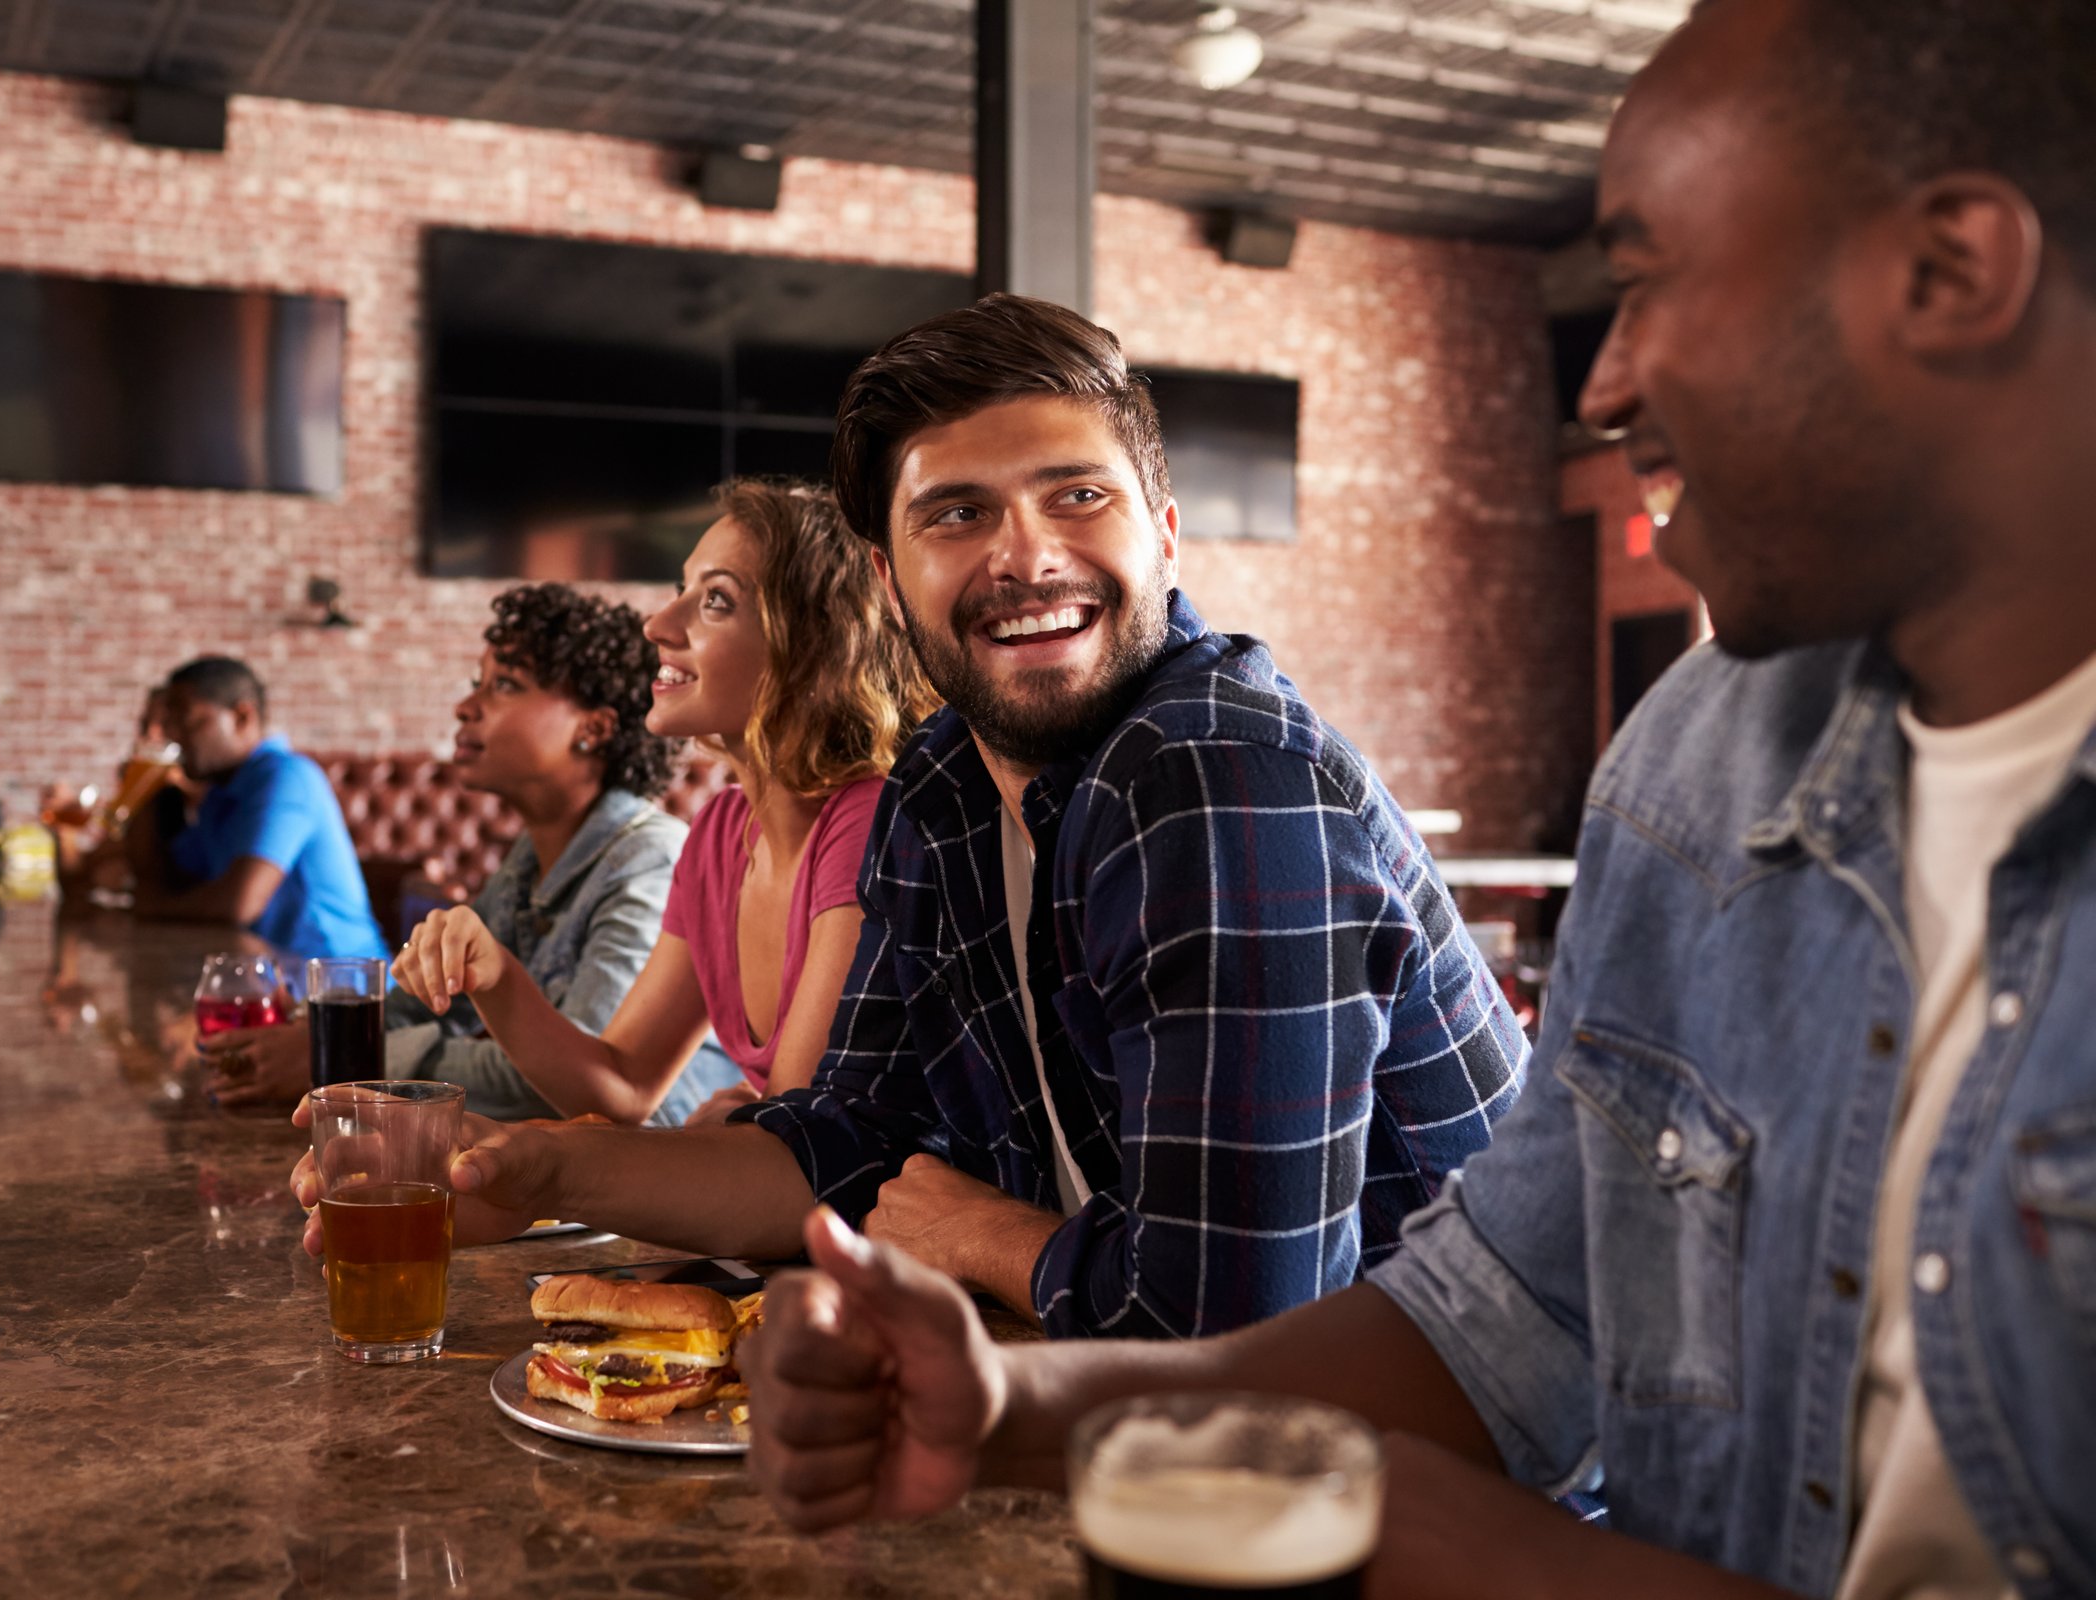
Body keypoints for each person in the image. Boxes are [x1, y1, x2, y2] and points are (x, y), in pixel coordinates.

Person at [738, 1, 2096, 1593]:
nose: (1605, 385)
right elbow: (1495, 1326)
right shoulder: (1703, 760)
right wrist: (1009, 1408)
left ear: (1952, 277)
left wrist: (1445, 1546)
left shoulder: (1215, 767)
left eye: (1647, 277)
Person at [309, 300, 1523, 1340]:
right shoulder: (944, 788)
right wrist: (542, 1170)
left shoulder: (1210, 774)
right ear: (889, 582)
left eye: (1078, 494)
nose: (1027, 556)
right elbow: (849, 1146)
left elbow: (1240, 1322)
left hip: (1441, 1489)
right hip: (1161, 1438)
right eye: (957, 515)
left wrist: (993, 1238)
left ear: (1163, 529)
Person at [387, 478, 935, 1125]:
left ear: (816, 649)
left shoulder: (865, 823)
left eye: (716, 602)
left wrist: (736, 1126)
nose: (658, 623)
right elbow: (620, 1087)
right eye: (682, 591)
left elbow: (798, 1147)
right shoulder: (722, 834)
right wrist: (498, 980)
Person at [203, 584, 741, 1125]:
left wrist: (346, 1061)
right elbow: (431, 1001)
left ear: (593, 728)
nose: (465, 707)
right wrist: (313, 1038)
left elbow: (567, 1089)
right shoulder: (535, 853)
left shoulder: (649, 860)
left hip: (648, 1175)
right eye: (476, 684)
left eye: (504, 685)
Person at [124, 656, 386, 961]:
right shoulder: (219, 795)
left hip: (345, 986)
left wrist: (150, 907)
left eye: (184, 719)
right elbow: (163, 877)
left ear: (241, 718)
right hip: (274, 977)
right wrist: (141, 789)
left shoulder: (287, 776)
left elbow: (238, 904)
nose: (172, 736)